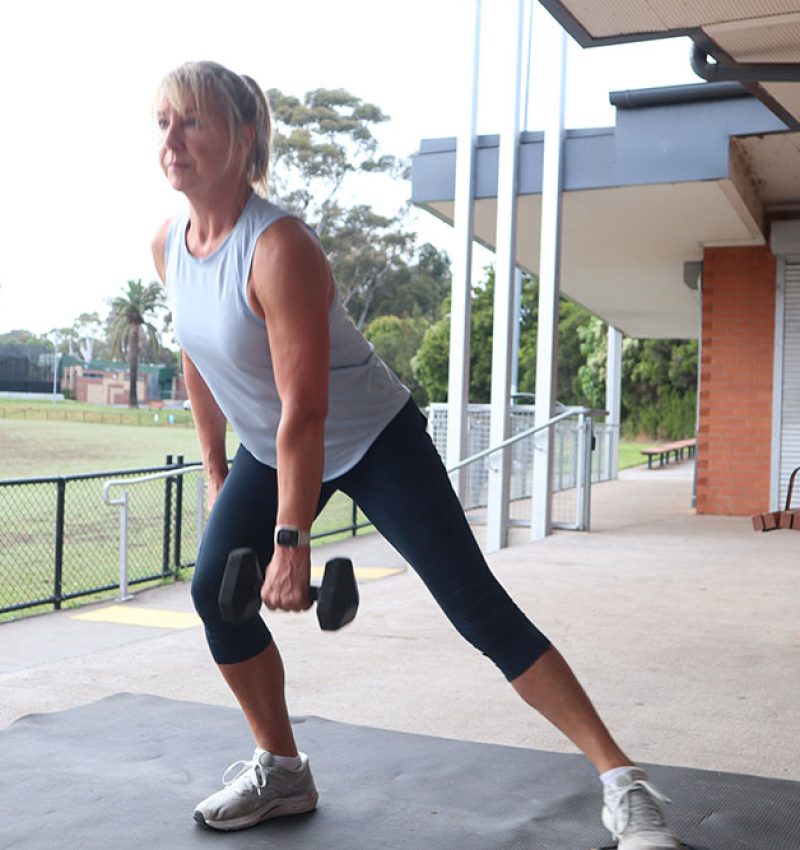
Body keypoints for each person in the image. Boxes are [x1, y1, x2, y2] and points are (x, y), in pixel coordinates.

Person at [151, 60, 682, 849]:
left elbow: (309, 407)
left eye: (191, 121)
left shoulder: (279, 246)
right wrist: (217, 465)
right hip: (271, 448)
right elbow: (199, 356)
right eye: (163, 122)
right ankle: (283, 768)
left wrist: (291, 541)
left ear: (243, 136)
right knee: (210, 593)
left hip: (370, 438)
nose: (172, 140)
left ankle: (624, 781)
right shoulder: (169, 244)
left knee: (474, 604)